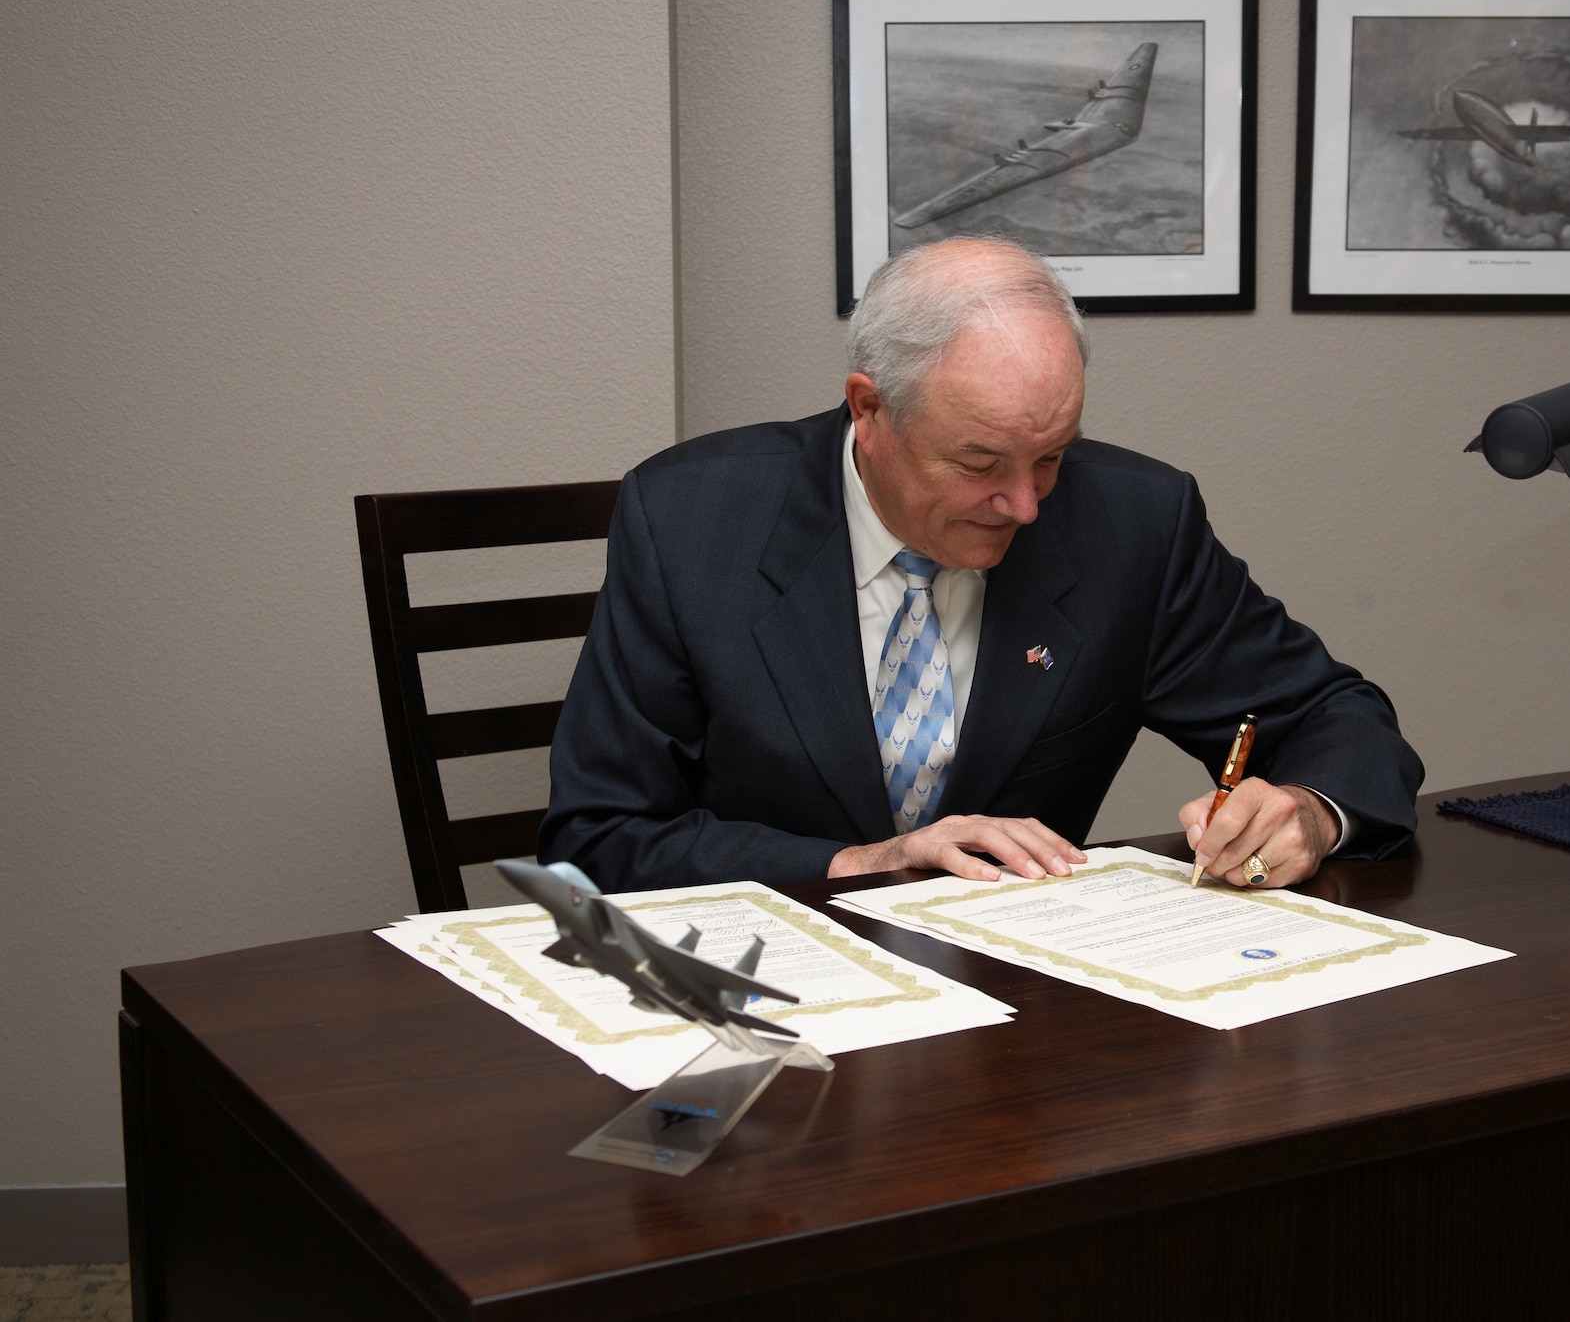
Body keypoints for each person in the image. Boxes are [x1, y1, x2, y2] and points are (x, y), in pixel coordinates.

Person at [541, 237, 1422, 893]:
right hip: (766, 1001)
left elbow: (1337, 715)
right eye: (979, 463)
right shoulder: (691, 521)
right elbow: (600, 837)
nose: (1026, 504)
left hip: (1025, 1028)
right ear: (870, 410)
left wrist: (1308, 809)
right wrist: (865, 861)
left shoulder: (1131, 523)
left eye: (1051, 456)